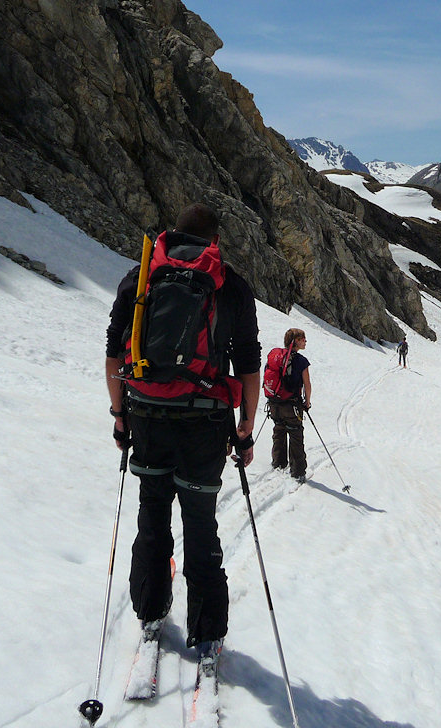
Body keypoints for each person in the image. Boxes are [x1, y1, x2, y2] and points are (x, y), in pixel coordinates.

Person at [104, 203, 260, 649]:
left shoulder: (140, 277)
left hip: (148, 418)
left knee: (152, 517)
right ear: (214, 240)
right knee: (200, 524)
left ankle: (150, 609)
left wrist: (120, 419)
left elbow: (115, 355)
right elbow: (248, 364)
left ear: (173, 233)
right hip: (205, 424)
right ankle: (207, 629)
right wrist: (244, 428)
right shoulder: (228, 283)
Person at [269, 328, 311, 481]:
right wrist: (307, 402)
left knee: (278, 430)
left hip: (274, 403)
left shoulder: (275, 356)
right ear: (295, 341)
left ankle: (278, 463)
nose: (305, 341)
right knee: (295, 435)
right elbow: (307, 384)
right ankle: (298, 472)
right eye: (302, 339)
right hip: (292, 405)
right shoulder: (301, 361)